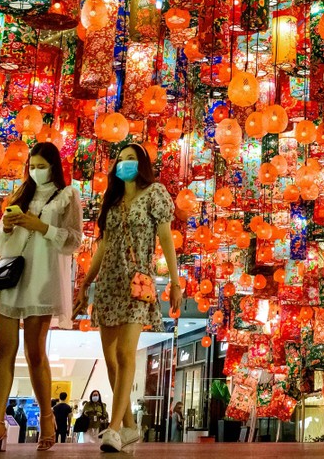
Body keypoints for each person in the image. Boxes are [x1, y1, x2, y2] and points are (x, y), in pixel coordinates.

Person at [0, 142, 84, 453]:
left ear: (54, 166)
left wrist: (43, 227)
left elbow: (74, 240)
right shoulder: (20, 193)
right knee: (4, 350)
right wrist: (7, 226)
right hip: (11, 277)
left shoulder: (68, 195)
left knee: (36, 352)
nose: (36, 171)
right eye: (32, 165)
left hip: (42, 279)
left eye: (41, 165)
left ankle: (47, 421)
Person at [73, 143, 182, 452]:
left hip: (138, 281)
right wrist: (85, 283)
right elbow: (103, 247)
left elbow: (166, 239)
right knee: (109, 358)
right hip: (108, 282)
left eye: (131, 159)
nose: (124, 164)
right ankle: (131, 426)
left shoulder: (155, 194)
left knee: (125, 353)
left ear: (142, 163)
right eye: (120, 160)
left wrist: (175, 283)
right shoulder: (113, 200)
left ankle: (113, 428)